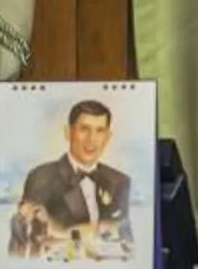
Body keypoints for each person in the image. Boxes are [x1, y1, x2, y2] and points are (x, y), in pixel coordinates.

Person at [17, 99, 131, 243]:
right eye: (84, 129)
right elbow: (30, 239)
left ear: (107, 137)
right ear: (68, 133)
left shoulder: (121, 181)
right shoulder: (41, 178)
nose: (92, 139)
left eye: (99, 131)